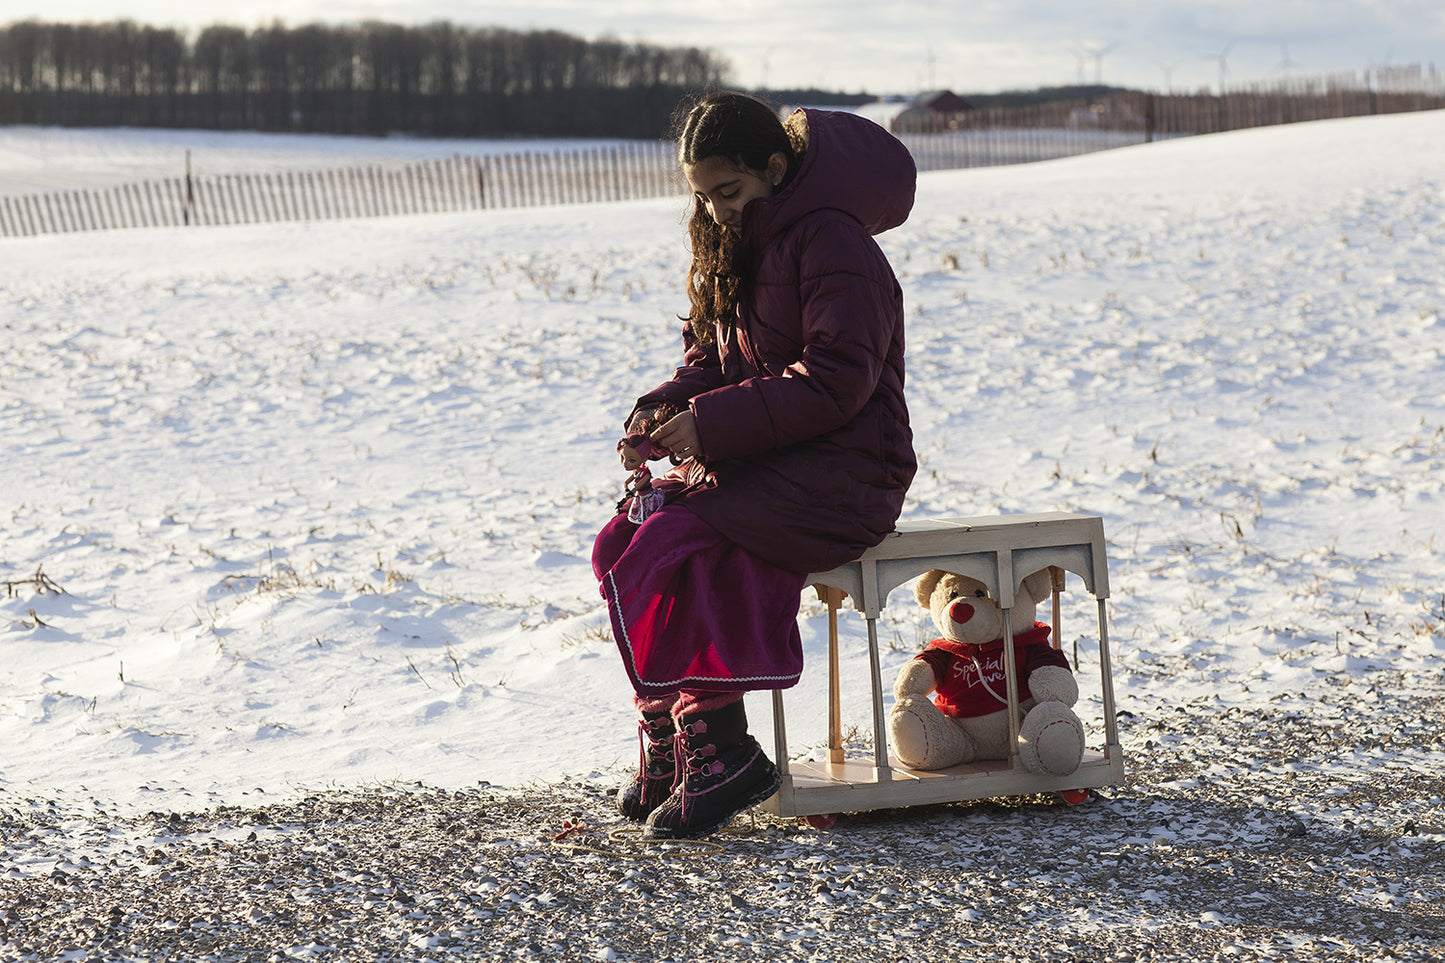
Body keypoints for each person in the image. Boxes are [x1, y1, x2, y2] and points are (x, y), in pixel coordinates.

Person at [591, 91, 917, 839]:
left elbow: (837, 380)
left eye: (727, 193)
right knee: (623, 540)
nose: (714, 214)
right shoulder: (736, 247)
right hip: (766, 465)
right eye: (702, 199)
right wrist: (659, 410)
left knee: (684, 541)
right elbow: (709, 361)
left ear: (774, 168)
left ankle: (726, 750)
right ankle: (676, 739)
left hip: (845, 472)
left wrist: (705, 428)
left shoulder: (833, 244)